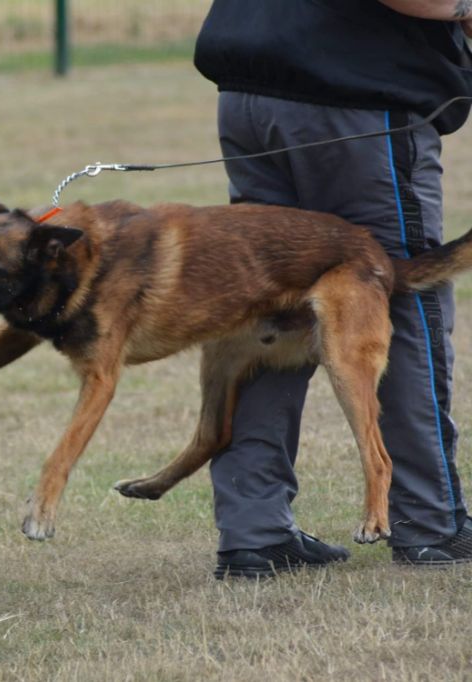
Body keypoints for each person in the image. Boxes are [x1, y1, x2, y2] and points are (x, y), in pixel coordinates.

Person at [193, 0, 472, 578]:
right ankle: (430, 523)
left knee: (268, 311)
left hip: (252, 78)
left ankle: (255, 533)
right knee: (397, 291)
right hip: (354, 97)